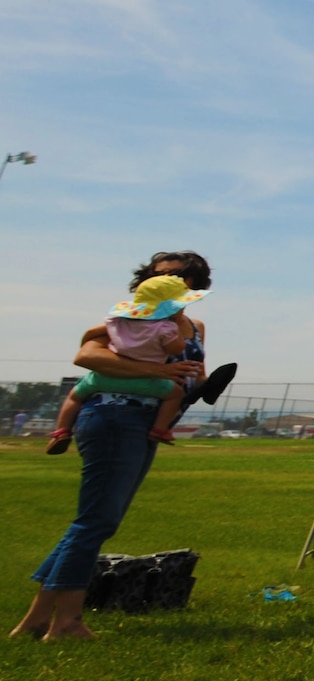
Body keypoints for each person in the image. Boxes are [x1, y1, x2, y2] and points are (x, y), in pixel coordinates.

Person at [13, 250, 214, 642]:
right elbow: (87, 355)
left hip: (145, 422)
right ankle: (67, 622)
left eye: (180, 275)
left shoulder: (193, 325)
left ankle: (37, 618)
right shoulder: (133, 315)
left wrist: (205, 386)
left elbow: (193, 373)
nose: (171, 281)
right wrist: (158, 372)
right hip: (112, 416)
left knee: (99, 521)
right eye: (161, 275)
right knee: (94, 522)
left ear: (195, 283)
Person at [46, 276, 210, 453]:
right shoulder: (165, 328)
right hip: (145, 383)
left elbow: (90, 335)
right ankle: (160, 429)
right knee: (174, 395)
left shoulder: (118, 321)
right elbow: (176, 349)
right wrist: (177, 338)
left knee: (75, 396)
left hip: (101, 379)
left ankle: (62, 431)